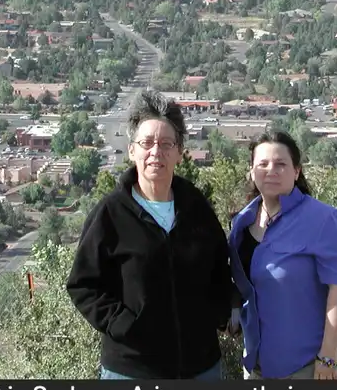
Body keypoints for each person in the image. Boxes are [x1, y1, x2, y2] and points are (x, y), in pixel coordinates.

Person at [66, 90, 233, 380]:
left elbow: (219, 269)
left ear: (180, 153)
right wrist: (123, 324)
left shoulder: (196, 207)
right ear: (132, 150)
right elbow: (82, 285)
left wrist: (220, 313)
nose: (156, 152)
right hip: (132, 369)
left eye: (166, 144)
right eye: (147, 143)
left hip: (201, 367)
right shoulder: (111, 214)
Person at [228, 130, 337, 379]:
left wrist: (327, 357)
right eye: (262, 164)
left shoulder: (324, 220)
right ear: (252, 171)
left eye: (281, 164)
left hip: (312, 363)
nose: (271, 170)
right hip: (257, 363)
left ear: (296, 171)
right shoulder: (241, 223)